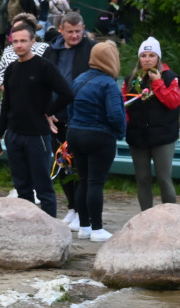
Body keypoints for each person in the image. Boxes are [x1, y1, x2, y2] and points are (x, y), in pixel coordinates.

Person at [0, 21, 73, 218]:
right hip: (14, 135)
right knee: (22, 188)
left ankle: (50, 230)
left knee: (43, 187)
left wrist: (48, 111)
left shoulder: (44, 67)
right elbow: (6, 105)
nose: (19, 45)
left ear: (33, 42)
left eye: (23, 41)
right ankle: (27, 228)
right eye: (15, 41)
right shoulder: (11, 69)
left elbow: (67, 93)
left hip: (37, 136)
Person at [66, 41, 124, 243]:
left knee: (83, 180)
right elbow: (116, 115)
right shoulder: (108, 83)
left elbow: (69, 109)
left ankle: (84, 226)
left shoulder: (79, 80)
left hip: (75, 133)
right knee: (95, 182)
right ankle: (98, 229)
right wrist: (120, 133)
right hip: (99, 136)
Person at [43, 11, 95, 227]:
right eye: (70, 32)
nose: (74, 36)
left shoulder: (91, 48)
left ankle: (85, 211)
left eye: (78, 31)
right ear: (61, 30)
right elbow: (43, 80)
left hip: (81, 115)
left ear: (83, 29)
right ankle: (72, 207)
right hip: (55, 115)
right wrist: (46, 110)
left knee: (82, 165)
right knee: (62, 162)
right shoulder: (51, 50)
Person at [123, 37, 180, 211]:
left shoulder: (170, 77)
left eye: (152, 55)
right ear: (139, 58)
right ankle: (146, 216)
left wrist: (157, 82)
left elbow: (173, 102)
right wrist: (124, 126)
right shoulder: (131, 79)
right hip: (138, 136)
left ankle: (171, 215)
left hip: (163, 136)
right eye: (144, 55)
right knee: (142, 178)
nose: (147, 59)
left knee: (164, 178)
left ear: (158, 58)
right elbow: (124, 106)